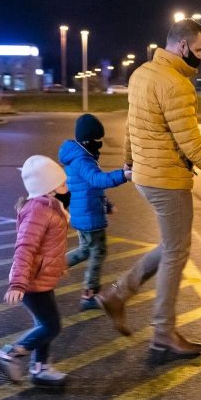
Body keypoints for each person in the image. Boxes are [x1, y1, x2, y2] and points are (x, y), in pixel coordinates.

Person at [96, 18, 201, 358]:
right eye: (197, 50)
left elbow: (133, 127)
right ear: (181, 46)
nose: (199, 56)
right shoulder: (176, 84)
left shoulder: (141, 74)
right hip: (168, 180)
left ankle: (117, 294)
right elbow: (192, 145)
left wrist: (129, 163)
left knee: (170, 246)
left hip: (146, 177)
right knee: (177, 251)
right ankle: (163, 332)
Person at [0, 155, 70, 386]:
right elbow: (25, 248)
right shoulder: (38, 211)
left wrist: (57, 265)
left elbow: (50, 244)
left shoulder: (49, 205)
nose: (66, 186)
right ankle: (10, 354)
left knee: (43, 324)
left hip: (41, 278)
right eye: (62, 182)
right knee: (51, 326)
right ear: (48, 186)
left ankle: (40, 368)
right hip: (32, 282)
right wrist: (17, 283)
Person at [58, 113, 132, 310]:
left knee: (85, 250)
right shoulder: (83, 160)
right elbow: (97, 180)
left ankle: (51, 268)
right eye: (97, 140)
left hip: (85, 212)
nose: (99, 144)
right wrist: (124, 175)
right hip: (89, 216)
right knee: (98, 252)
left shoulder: (79, 155)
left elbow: (90, 189)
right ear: (88, 139)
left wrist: (105, 205)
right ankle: (89, 294)